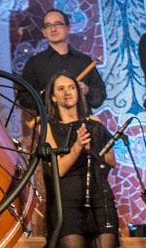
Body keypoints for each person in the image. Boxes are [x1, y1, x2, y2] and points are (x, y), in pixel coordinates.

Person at [40, 73, 119, 248]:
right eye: (61, 89)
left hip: (100, 199)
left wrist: (92, 148)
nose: (67, 92)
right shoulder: (47, 126)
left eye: (72, 87)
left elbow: (112, 160)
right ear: (53, 97)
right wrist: (77, 147)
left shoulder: (94, 122)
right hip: (68, 204)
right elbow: (58, 169)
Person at [22, 9, 107, 113]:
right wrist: (49, 97)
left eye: (58, 24)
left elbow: (100, 98)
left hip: (84, 125)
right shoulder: (34, 64)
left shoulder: (84, 61)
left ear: (68, 28)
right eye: (48, 25)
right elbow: (24, 99)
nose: (53, 29)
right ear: (44, 32)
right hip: (50, 126)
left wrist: (87, 91)